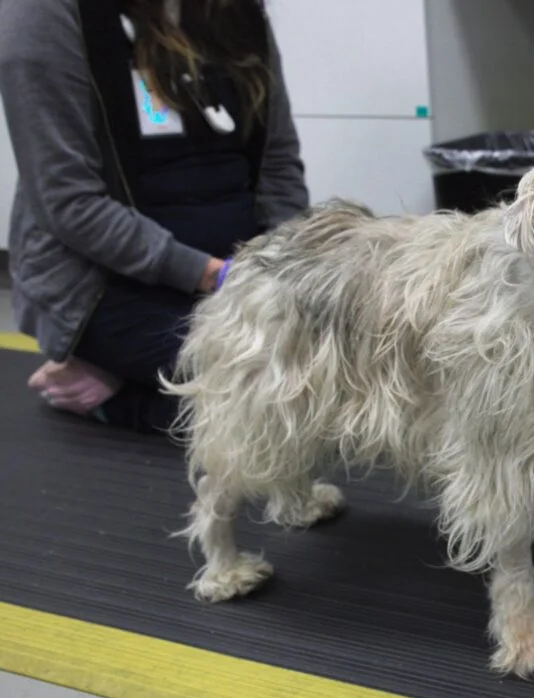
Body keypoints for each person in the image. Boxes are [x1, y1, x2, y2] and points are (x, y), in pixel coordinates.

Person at [0, 0, 308, 432]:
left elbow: (279, 164)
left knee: (335, 377)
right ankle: (121, 400)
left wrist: (286, 264)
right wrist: (213, 276)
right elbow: (69, 203)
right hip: (103, 283)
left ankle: (130, 378)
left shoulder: (236, 11)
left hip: (239, 272)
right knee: (275, 402)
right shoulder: (45, 11)